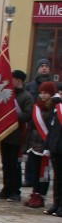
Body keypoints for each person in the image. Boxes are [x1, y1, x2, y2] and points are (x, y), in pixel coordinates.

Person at [0, 70, 34, 201]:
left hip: (18, 136)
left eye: (12, 79)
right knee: (5, 164)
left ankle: (15, 191)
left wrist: (11, 116)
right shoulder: (8, 95)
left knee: (15, 165)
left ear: (19, 80)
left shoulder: (27, 97)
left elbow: (27, 115)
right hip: (6, 134)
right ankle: (6, 188)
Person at [23, 82, 58, 208]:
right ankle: (35, 192)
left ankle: (41, 195)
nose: (43, 96)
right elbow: (31, 125)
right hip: (34, 143)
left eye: (46, 93)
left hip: (44, 144)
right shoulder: (36, 106)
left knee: (44, 172)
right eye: (41, 93)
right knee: (35, 171)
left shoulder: (54, 107)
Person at [44, 84, 62, 216]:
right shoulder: (57, 109)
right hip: (56, 147)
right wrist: (47, 146)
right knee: (57, 178)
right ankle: (56, 204)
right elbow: (51, 129)